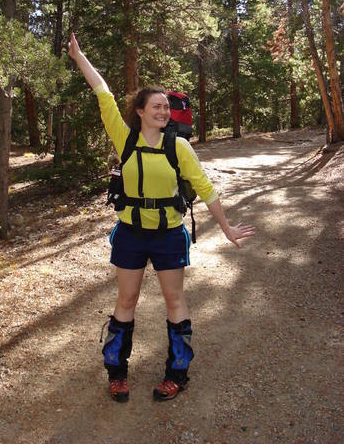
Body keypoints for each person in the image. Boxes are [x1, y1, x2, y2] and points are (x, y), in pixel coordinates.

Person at [67, 33, 255, 403]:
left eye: (166, 107)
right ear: (139, 111)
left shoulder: (178, 146)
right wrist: (79, 58)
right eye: (155, 106)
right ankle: (117, 372)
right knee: (127, 299)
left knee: (175, 301)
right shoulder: (125, 139)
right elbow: (103, 92)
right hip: (131, 234)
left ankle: (177, 374)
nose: (163, 111)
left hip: (169, 233)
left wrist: (227, 227)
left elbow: (204, 187)